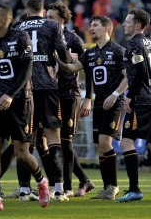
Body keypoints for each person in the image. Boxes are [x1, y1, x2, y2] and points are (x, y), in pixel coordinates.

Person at [0, 4, 50, 211]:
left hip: (20, 101)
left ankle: (41, 181)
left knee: (21, 152)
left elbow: (27, 71)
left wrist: (10, 94)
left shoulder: (21, 38)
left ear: (5, 19)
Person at [55, 15, 128, 200]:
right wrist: (56, 57)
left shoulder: (118, 51)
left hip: (114, 102)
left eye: (95, 25)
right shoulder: (90, 53)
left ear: (106, 29)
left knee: (105, 142)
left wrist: (115, 94)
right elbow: (72, 69)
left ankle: (113, 187)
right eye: (91, 25)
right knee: (100, 147)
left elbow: (128, 78)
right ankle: (106, 188)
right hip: (100, 103)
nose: (91, 28)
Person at [13, 0, 73, 202]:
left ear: (27, 11)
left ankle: (23, 190)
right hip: (47, 86)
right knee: (54, 137)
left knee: (25, 141)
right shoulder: (53, 25)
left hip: (24, 89)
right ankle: (58, 190)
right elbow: (64, 54)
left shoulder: (18, 27)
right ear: (43, 10)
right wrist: (62, 61)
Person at [115, 9, 151, 203]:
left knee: (126, 142)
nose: (124, 24)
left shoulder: (134, 44)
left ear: (137, 25)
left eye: (127, 22)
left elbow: (141, 72)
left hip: (142, 100)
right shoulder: (150, 43)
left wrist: (129, 96)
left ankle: (134, 189)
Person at [46, 1, 95, 197]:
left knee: (65, 141)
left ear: (62, 20)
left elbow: (88, 69)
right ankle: (82, 180)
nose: (47, 21)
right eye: (46, 17)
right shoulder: (44, 38)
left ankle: (65, 186)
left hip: (69, 93)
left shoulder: (73, 39)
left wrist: (88, 98)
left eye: (51, 18)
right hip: (50, 94)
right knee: (54, 142)